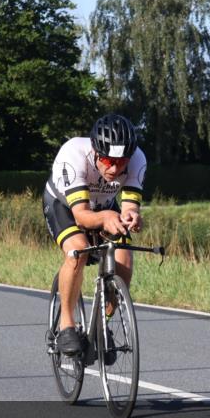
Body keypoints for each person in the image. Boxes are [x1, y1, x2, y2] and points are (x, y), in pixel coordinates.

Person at [42, 113, 146, 357]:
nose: (114, 168)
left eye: (122, 162)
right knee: (77, 252)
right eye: (109, 161)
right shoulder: (74, 154)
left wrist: (132, 216)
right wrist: (106, 218)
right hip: (64, 205)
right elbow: (81, 216)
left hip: (105, 206)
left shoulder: (138, 159)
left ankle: (101, 326)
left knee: (124, 259)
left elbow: (129, 205)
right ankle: (66, 326)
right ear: (96, 152)